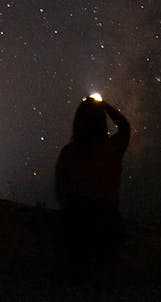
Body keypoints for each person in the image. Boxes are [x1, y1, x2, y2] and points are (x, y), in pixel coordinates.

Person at [55, 96, 131, 279]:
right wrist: (103, 105)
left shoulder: (68, 153)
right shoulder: (112, 150)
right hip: (107, 227)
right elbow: (125, 127)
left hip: (75, 228)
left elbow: (60, 191)